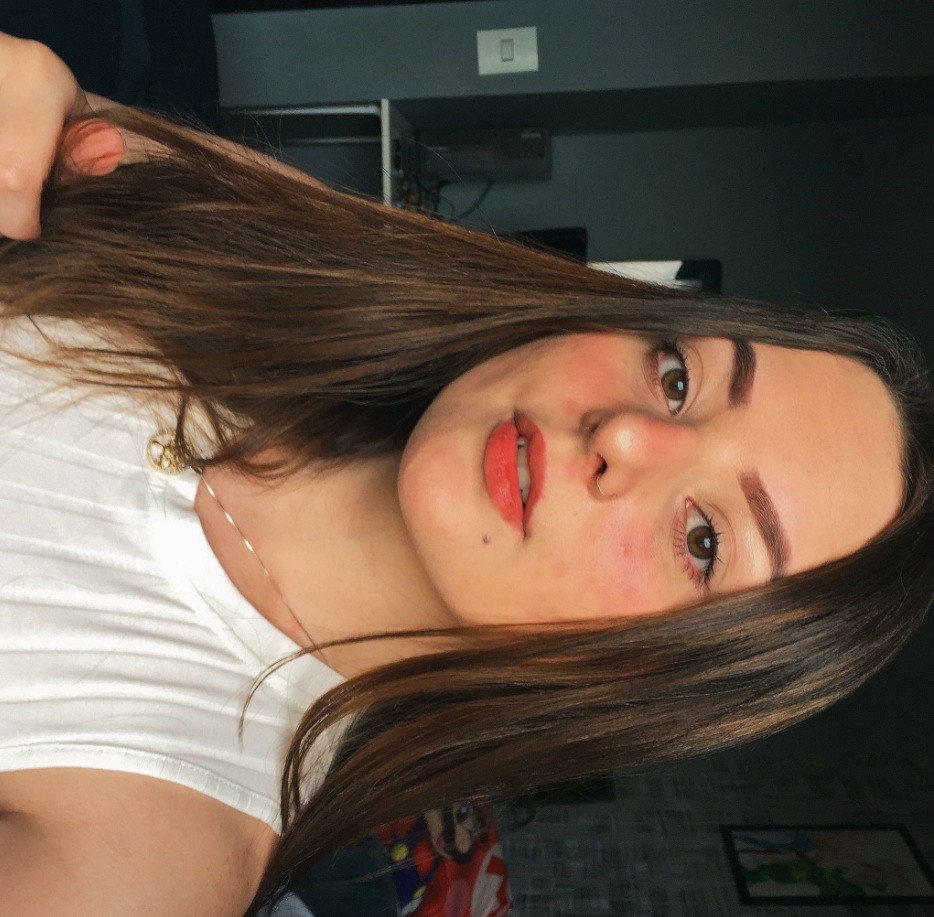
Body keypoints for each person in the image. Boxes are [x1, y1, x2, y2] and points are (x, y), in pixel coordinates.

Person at [0, 33, 932, 917]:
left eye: (703, 540)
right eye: (679, 377)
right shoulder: (289, 236)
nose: (628, 436)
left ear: (656, 678)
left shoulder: (147, 849)